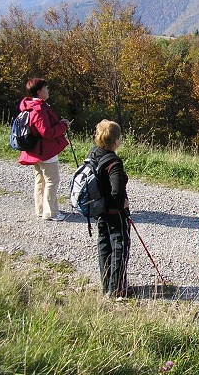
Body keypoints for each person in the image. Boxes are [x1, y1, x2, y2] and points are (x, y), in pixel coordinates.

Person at [18, 78, 71, 221]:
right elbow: (47, 132)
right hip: (46, 151)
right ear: (39, 91)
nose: (48, 91)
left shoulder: (30, 106)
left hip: (35, 150)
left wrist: (59, 125)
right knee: (52, 181)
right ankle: (51, 213)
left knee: (41, 180)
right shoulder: (39, 109)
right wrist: (63, 126)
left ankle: (41, 209)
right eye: (46, 88)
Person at [89, 119, 131, 298]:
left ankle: (106, 285)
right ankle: (117, 288)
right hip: (115, 214)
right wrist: (123, 203)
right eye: (120, 137)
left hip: (99, 210)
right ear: (115, 141)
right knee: (120, 247)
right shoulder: (114, 162)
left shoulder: (93, 154)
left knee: (104, 245)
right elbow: (117, 191)